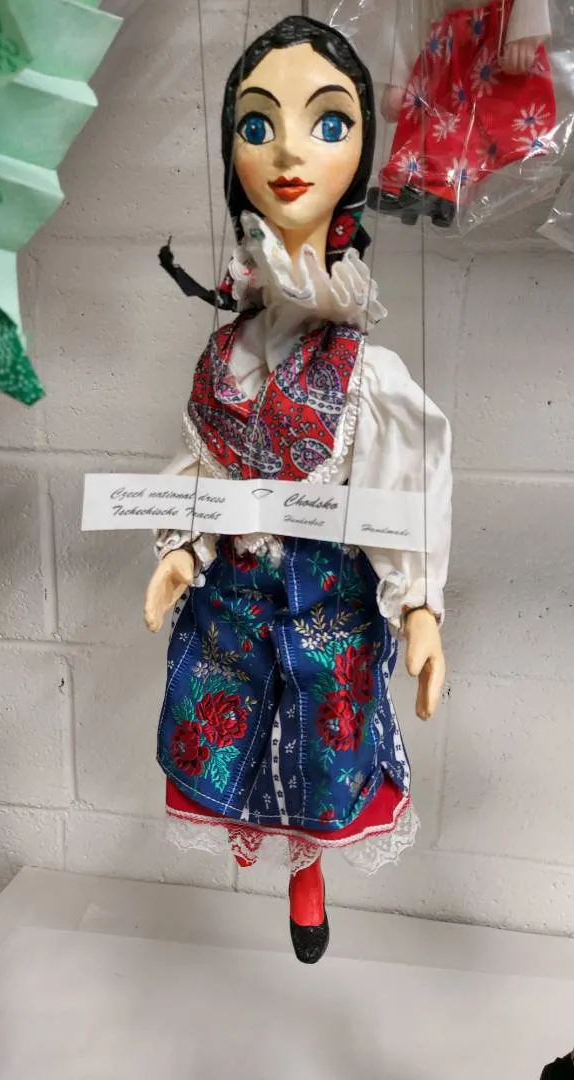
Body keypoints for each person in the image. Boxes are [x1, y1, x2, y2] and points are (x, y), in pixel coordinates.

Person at [144, 15, 452, 964]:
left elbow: (405, 483)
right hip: (234, 599)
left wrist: (419, 604)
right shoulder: (222, 355)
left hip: (325, 598)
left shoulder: (365, 369)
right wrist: (179, 547)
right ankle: (280, 857)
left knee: (324, 743)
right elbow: (201, 459)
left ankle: (309, 874)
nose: (286, 152)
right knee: (226, 726)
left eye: (326, 123)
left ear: (358, 151)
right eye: (256, 125)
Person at [367, 0, 556, 227]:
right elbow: (407, 13)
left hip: (495, 39)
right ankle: (404, 186)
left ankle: (437, 191)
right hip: (445, 43)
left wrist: (524, 34)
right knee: (426, 120)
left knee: (466, 128)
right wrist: (397, 76)